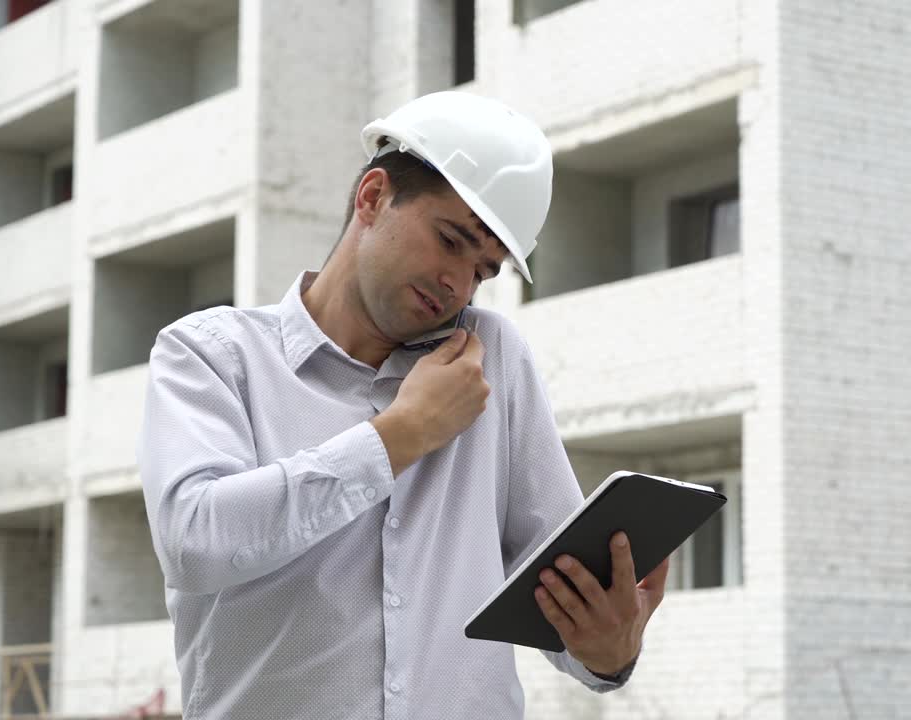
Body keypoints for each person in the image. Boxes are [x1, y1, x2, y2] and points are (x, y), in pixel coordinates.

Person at [137, 91, 669, 719]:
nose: (458, 284)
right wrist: (400, 436)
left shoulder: (493, 359)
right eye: (449, 240)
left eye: (483, 270)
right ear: (373, 197)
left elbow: (553, 585)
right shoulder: (211, 355)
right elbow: (196, 542)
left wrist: (607, 651)